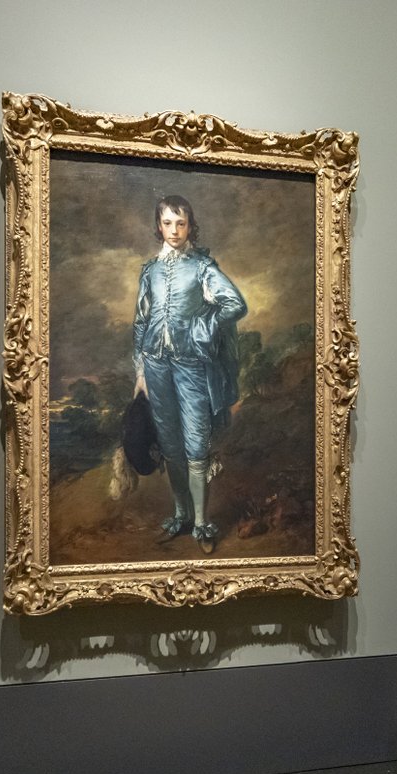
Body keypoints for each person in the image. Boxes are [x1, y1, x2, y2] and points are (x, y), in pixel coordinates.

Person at [132, 195, 247, 555]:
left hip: (192, 366)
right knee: (170, 445)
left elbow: (235, 304)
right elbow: (140, 321)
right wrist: (140, 372)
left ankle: (201, 522)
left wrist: (203, 326)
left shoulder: (202, 267)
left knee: (196, 447)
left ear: (190, 225)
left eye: (180, 223)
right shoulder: (149, 271)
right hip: (155, 365)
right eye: (167, 223)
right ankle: (180, 514)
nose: (174, 230)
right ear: (158, 227)